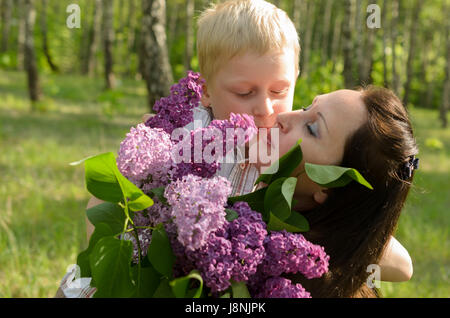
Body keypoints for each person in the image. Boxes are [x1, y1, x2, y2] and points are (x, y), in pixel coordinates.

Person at [54, 0, 412, 297]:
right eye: (244, 93)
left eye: (280, 92)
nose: (267, 110)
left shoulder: (282, 165)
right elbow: (103, 206)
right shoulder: (187, 137)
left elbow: (393, 257)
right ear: (206, 92)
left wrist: (306, 234)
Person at [264, 86, 417, 297]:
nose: (283, 116)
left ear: (328, 186)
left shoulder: (287, 274)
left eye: (311, 129)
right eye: (305, 107)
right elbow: (403, 264)